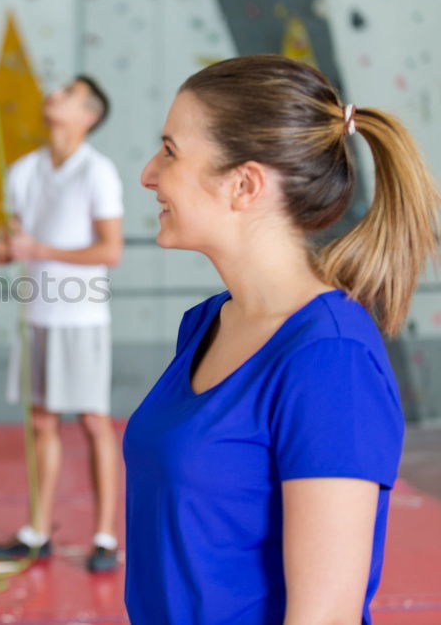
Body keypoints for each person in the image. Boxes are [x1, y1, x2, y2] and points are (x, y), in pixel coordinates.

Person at [124, 54, 440, 624]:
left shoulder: (329, 359)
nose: (148, 173)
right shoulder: (204, 325)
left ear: (244, 184)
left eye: (170, 150)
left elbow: (325, 616)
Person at [0, 76, 125, 572]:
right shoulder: (23, 172)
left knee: (95, 423)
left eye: (70, 93)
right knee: (40, 424)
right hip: (37, 316)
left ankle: (104, 538)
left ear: (88, 116)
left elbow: (110, 251)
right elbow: (2, 250)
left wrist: (39, 250)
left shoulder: (98, 173)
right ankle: (37, 532)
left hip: (82, 319)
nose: (55, 93)